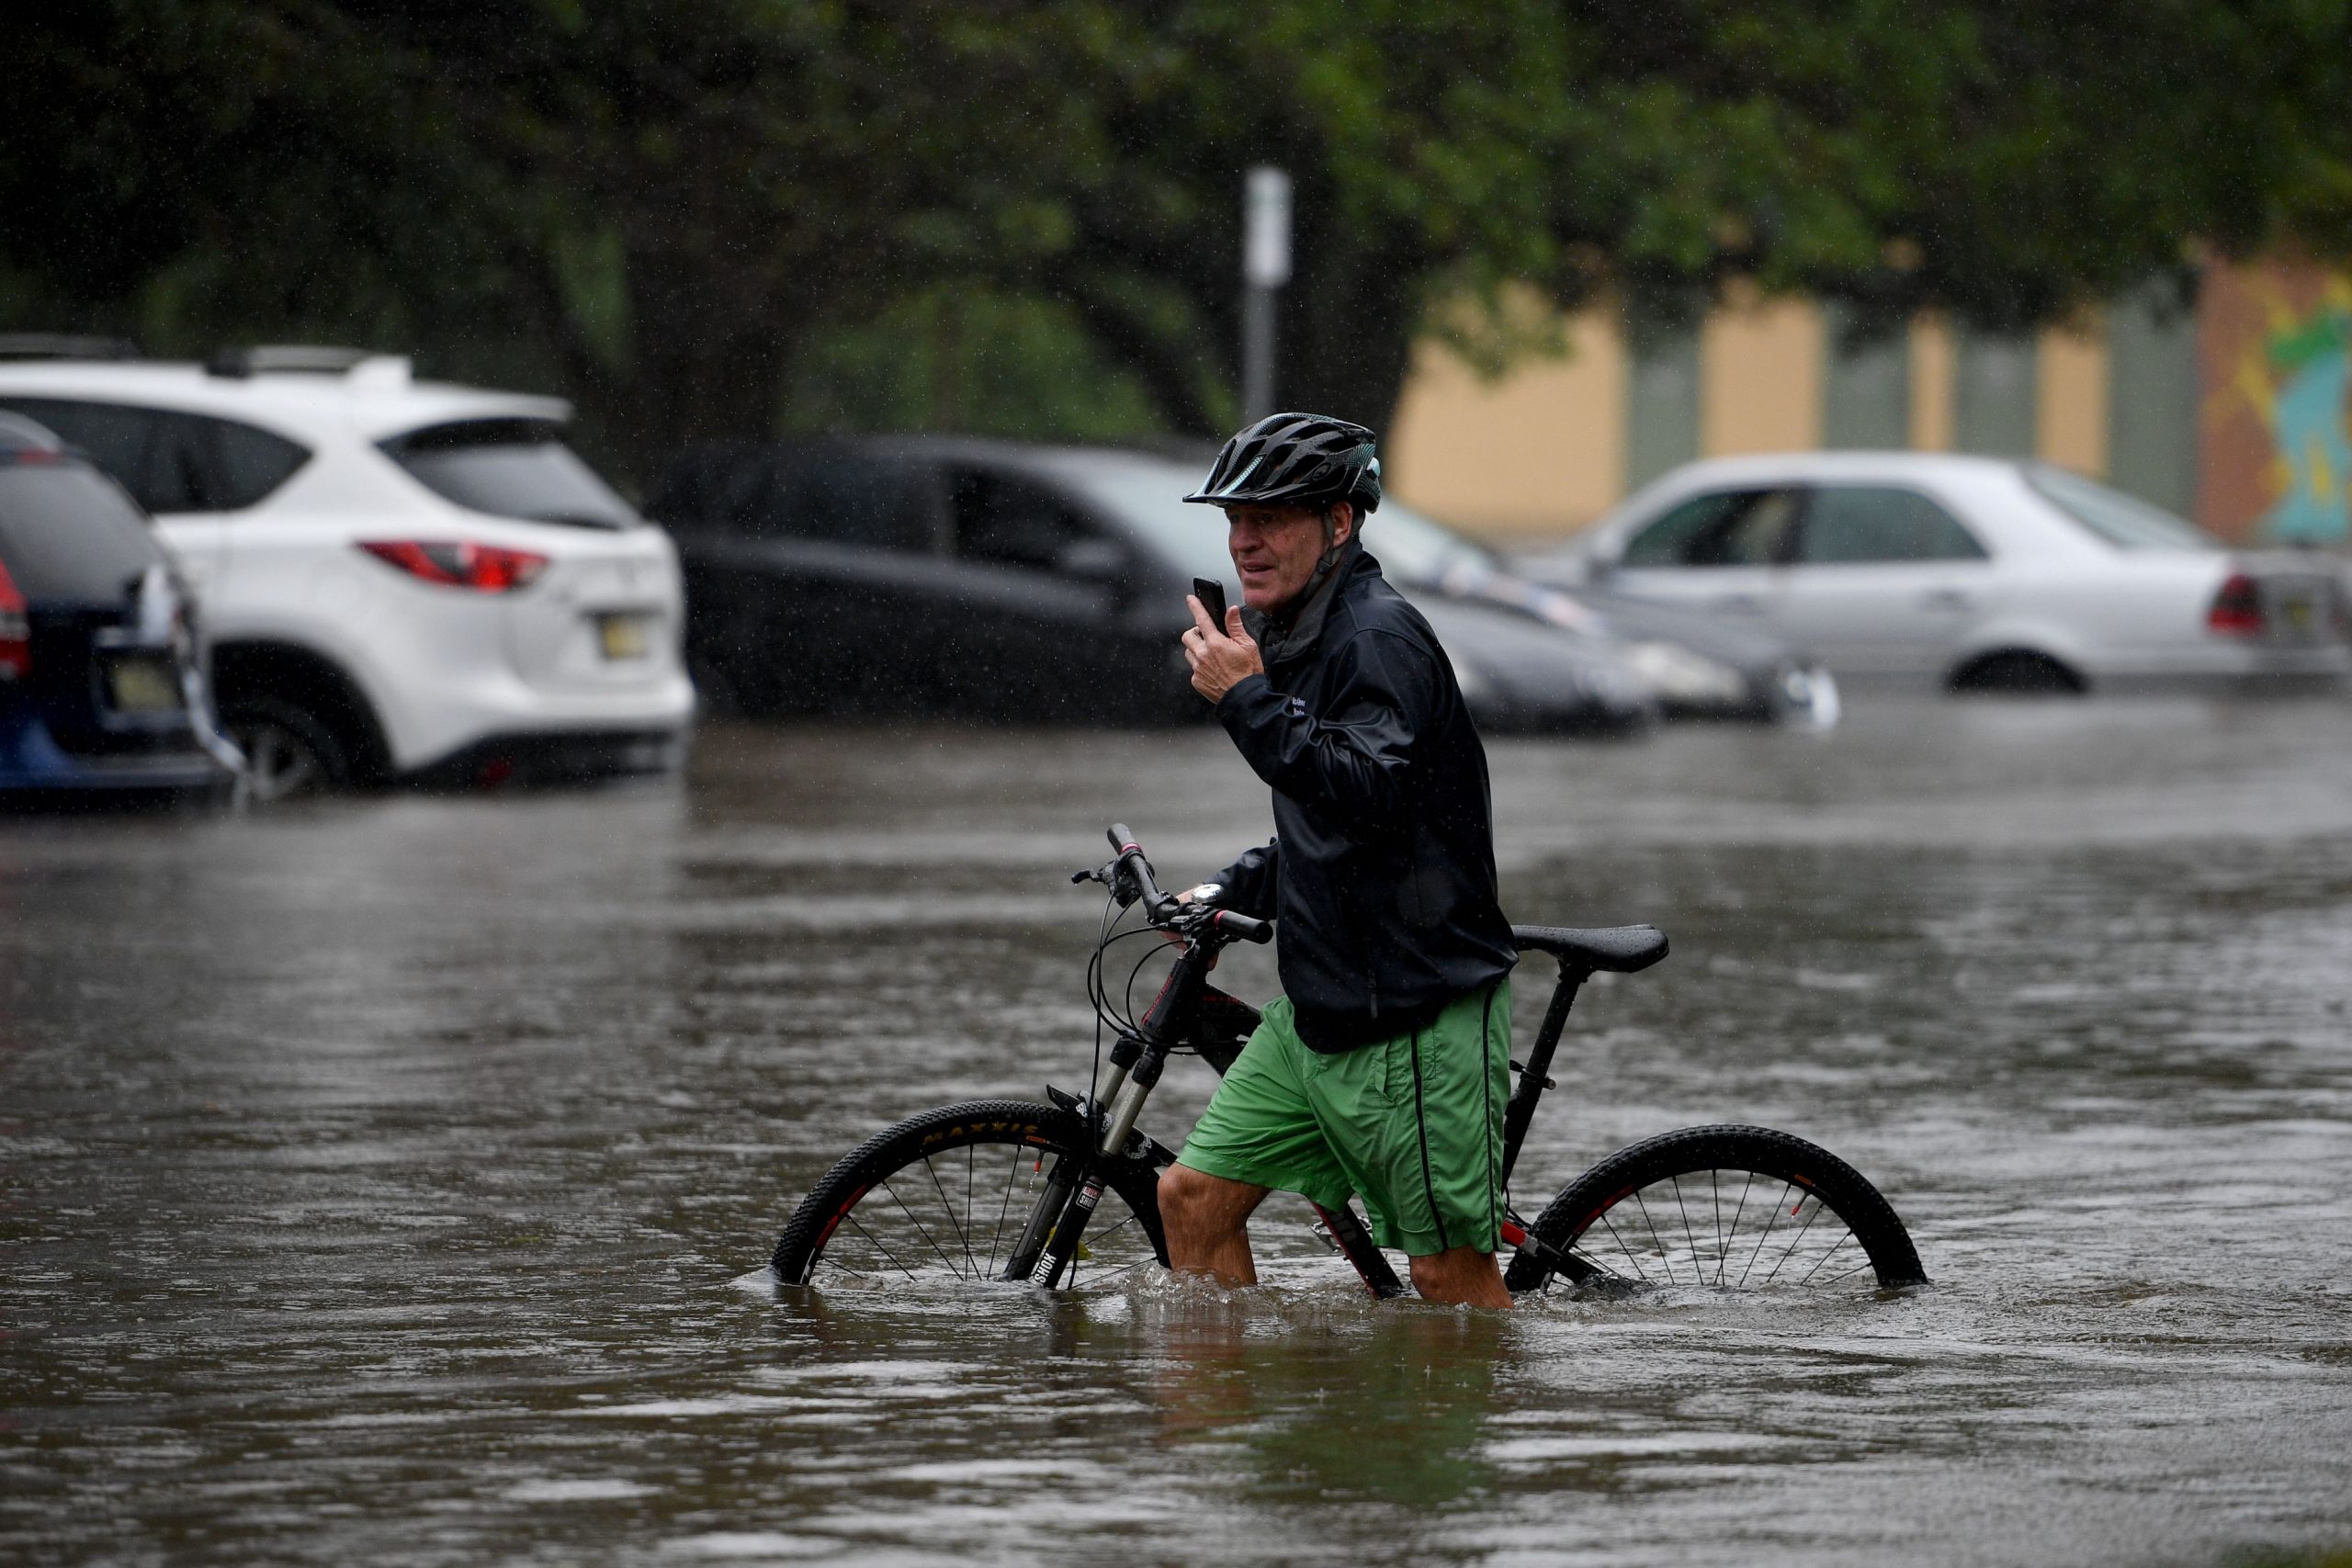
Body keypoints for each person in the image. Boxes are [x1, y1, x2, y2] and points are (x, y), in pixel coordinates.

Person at [1161, 412, 1520, 1309]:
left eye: (1272, 517)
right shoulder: (1293, 633)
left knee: (1448, 1280)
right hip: (1320, 1015)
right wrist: (1236, 885)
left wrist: (1245, 700)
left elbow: (1371, 792)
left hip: (1413, 1015)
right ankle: (1238, 1445)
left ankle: (1456, 1440)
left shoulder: (1374, 638)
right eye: (1235, 519)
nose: (1246, 540)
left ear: (1339, 522)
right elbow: (1334, 823)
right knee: (1193, 1201)